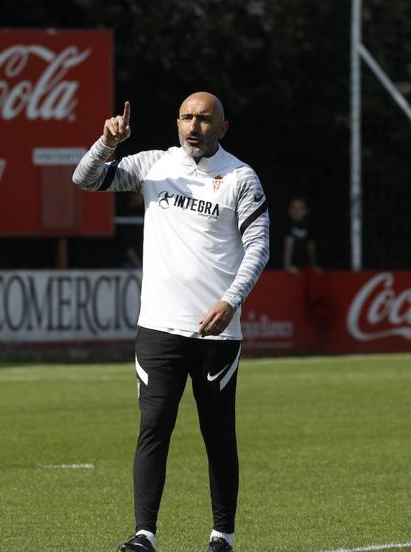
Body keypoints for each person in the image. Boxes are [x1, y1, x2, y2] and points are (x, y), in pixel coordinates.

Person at [73, 92, 270, 552]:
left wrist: (230, 301)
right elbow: (85, 180)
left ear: (223, 127)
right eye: (186, 117)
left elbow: (259, 247)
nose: (193, 126)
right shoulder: (152, 165)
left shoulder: (241, 177)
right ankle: (144, 534)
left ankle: (222, 535)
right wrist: (105, 143)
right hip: (158, 326)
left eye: (204, 119)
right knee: (153, 427)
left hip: (217, 331)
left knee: (217, 433)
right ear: (176, 122)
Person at [282, 197, 319, 275]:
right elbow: (288, 245)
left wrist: (314, 266)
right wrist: (287, 266)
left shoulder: (310, 225)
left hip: (304, 269)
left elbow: (311, 247)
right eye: (294, 207)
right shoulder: (285, 224)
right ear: (289, 210)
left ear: (305, 211)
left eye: (299, 208)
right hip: (286, 271)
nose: (296, 211)